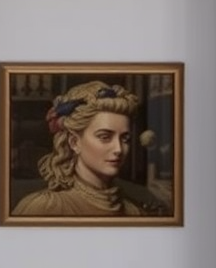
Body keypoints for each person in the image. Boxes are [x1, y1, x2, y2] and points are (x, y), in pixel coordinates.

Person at [11, 79, 168, 219]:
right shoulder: (43, 207)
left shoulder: (134, 211)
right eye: (105, 137)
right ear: (74, 143)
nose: (119, 149)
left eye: (125, 139)